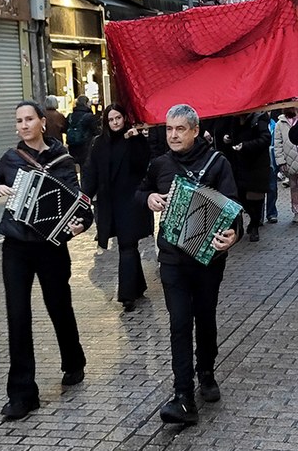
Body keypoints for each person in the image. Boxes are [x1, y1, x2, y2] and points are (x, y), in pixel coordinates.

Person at [0, 100, 93, 421]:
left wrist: (79, 225)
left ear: (42, 122)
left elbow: (81, 207)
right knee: (17, 315)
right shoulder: (11, 158)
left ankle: (73, 360)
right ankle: (22, 394)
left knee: (59, 305)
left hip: (51, 247)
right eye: (19, 120)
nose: (23, 125)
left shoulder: (62, 160)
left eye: (29, 119)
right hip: (16, 246)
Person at [137, 104, 241, 425]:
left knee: (205, 317)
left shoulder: (216, 163)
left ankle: (206, 371)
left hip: (207, 259)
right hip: (171, 259)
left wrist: (233, 236)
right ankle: (183, 394)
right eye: (169, 129)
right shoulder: (160, 164)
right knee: (180, 323)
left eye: (180, 129)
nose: (173, 135)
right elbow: (140, 192)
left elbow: (233, 209)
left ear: (195, 131)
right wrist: (149, 199)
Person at [81, 104, 153, 312]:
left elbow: (143, 163)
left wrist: (137, 139)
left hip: (131, 201)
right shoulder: (98, 143)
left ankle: (127, 295)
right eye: (111, 119)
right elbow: (90, 172)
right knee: (127, 245)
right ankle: (137, 286)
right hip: (109, 203)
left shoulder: (133, 139)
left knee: (127, 245)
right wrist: (85, 195)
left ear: (124, 118)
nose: (115, 123)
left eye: (118, 118)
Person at [216, 112, 272, 242]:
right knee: (240, 195)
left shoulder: (259, 118)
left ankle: (254, 226)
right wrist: (228, 139)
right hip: (239, 164)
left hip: (256, 164)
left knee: (255, 197)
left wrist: (245, 146)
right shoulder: (234, 118)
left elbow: (265, 139)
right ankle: (253, 220)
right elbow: (232, 134)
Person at [273, 106, 298, 224]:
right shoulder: (280, 123)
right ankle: (297, 210)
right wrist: (281, 161)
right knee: (294, 188)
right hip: (289, 161)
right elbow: (277, 144)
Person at [65, 95, 100, 167]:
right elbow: (96, 131)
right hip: (85, 146)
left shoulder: (70, 116)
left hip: (72, 146)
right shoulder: (89, 116)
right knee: (85, 167)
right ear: (86, 103)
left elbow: (65, 128)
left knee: (74, 165)